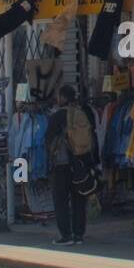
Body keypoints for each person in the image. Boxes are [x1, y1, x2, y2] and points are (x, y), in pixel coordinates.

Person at [44, 85, 94, 246]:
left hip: (61, 165)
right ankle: (79, 234)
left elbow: (48, 142)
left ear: (62, 98)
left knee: (61, 202)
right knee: (79, 199)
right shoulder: (83, 114)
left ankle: (66, 235)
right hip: (80, 164)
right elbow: (92, 140)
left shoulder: (56, 117)